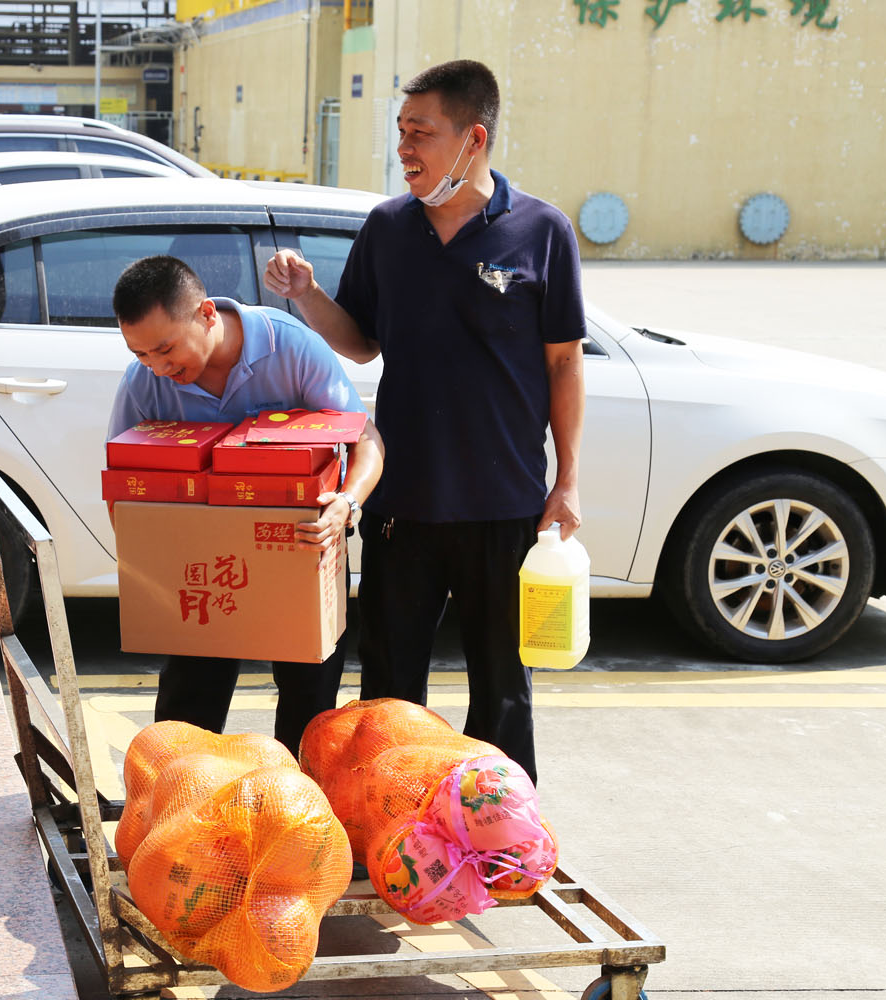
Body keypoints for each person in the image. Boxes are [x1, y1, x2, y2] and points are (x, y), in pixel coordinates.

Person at [264, 59, 585, 784]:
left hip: (505, 505)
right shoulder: (388, 228)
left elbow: (565, 363)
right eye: (401, 131)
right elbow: (360, 342)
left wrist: (567, 481)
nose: (405, 148)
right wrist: (308, 294)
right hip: (400, 506)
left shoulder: (542, 231)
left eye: (422, 133)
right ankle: (393, 822)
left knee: (503, 690)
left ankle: (499, 829)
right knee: (389, 690)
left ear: (474, 139)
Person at [108, 255, 385, 757]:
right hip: (201, 560)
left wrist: (346, 504)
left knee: (308, 701)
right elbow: (124, 487)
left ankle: (299, 803)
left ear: (206, 314)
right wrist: (151, 561)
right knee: (188, 705)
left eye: (166, 349)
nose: (159, 368)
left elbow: (365, 439)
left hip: (302, 549)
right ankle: (181, 796)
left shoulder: (291, 346)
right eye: (141, 354)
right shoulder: (143, 381)